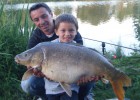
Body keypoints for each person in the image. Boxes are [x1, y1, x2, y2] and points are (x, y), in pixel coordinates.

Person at [21, 2, 99, 100]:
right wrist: (38, 72)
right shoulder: (36, 37)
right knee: (28, 84)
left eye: (44, 16)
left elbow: (82, 58)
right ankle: (45, 97)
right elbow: (30, 63)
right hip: (50, 75)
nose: (41, 22)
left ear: (51, 14)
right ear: (34, 22)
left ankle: (83, 95)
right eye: (36, 20)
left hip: (71, 72)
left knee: (90, 78)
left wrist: (84, 76)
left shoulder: (69, 30)